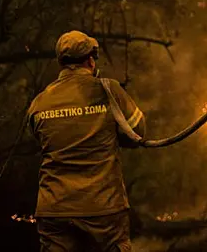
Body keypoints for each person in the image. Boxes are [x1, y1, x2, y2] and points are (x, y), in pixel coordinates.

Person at [27, 30, 146, 252]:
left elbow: (40, 142)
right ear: (91, 60)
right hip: (103, 209)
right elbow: (138, 132)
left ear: (61, 63)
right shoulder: (109, 90)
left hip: (55, 210)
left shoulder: (39, 102)